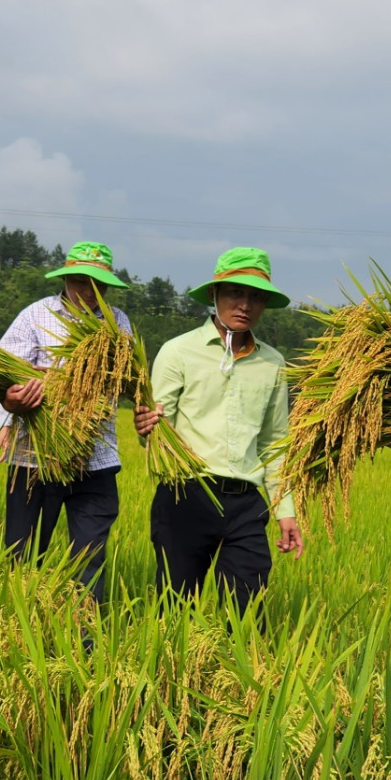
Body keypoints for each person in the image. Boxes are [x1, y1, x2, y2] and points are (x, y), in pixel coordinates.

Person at [133, 247, 304, 616]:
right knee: (175, 611)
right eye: (235, 293)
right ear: (214, 295)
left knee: (246, 611)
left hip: (245, 503)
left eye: (256, 296)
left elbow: (275, 442)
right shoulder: (177, 352)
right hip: (185, 496)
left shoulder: (272, 363)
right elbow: (156, 425)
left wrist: (285, 511)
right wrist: (146, 428)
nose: (245, 304)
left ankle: (239, 671)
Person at [0, 241, 132, 603]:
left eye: (97, 283)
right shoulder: (35, 315)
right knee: (23, 554)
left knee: (90, 558)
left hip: (96, 459)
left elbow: (124, 379)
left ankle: (87, 643)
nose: (88, 291)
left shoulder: (118, 322)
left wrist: (57, 377)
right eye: (80, 281)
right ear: (66, 279)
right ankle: (16, 625)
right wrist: (12, 403)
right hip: (35, 456)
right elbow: (3, 380)